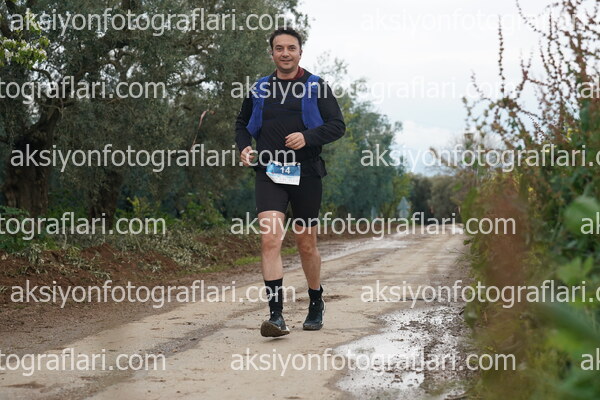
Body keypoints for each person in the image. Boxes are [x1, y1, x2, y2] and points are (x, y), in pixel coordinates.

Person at [235, 27, 345, 337]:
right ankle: (276, 316)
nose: (285, 53)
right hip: (269, 172)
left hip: (306, 173)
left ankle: (316, 301)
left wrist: (308, 137)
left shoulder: (316, 87)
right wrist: (243, 146)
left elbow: (337, 125)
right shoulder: (260, 89)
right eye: (279, 48)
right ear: (272, 53)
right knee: (270, 239)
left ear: (300, 52)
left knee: (305, 244)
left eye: (291, 48)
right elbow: (241, 123)